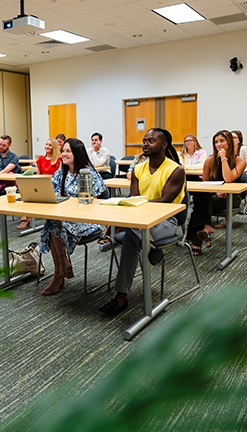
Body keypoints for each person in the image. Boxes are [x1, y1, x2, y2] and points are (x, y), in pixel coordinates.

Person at [99, 128, 185, 316]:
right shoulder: (138, 168)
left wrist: (133, 206)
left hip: (165, 221)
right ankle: (150, 248)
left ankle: (121, 297)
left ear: (164, 145)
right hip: (139, 222)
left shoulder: (175, 170)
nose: (145, 144)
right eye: (144, 140)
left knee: (130, 233)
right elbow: (133, 199)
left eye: (151, 141)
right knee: (132, 232)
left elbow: (164, 202)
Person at [39, 138, 107, 296]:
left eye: (68, 151)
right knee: (53, 222)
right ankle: (61, 269)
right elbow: (53, 195)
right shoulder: (60, 173)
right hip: (63, 218)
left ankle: (60, 271)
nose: (64, 154)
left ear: (78, 153)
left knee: (53, 224)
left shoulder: (88, 173)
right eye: (63, 151)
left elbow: (93, 204)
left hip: (86, 220)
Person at [187, 130, 246, 255]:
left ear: (229, 142)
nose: (218, 144)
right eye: (216, 142)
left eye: (222, 141)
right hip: (214, 194)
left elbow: (228, 178)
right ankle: (206, 226)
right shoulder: (209, 161)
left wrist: (224, 158)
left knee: (199, 207)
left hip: (232, 196)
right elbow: (205, 185)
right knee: (200, 196)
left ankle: (197, 239)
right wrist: (217, 190)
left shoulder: (239, 161)